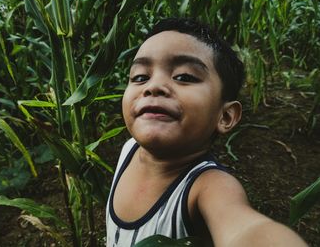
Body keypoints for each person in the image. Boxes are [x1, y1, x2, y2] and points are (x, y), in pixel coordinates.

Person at [106, 18, 307, 246]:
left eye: (184, 77)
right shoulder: (129, 149)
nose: (153, 86)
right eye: (140, 77)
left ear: (226, 116)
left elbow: (247, 229)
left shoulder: (208, 187)